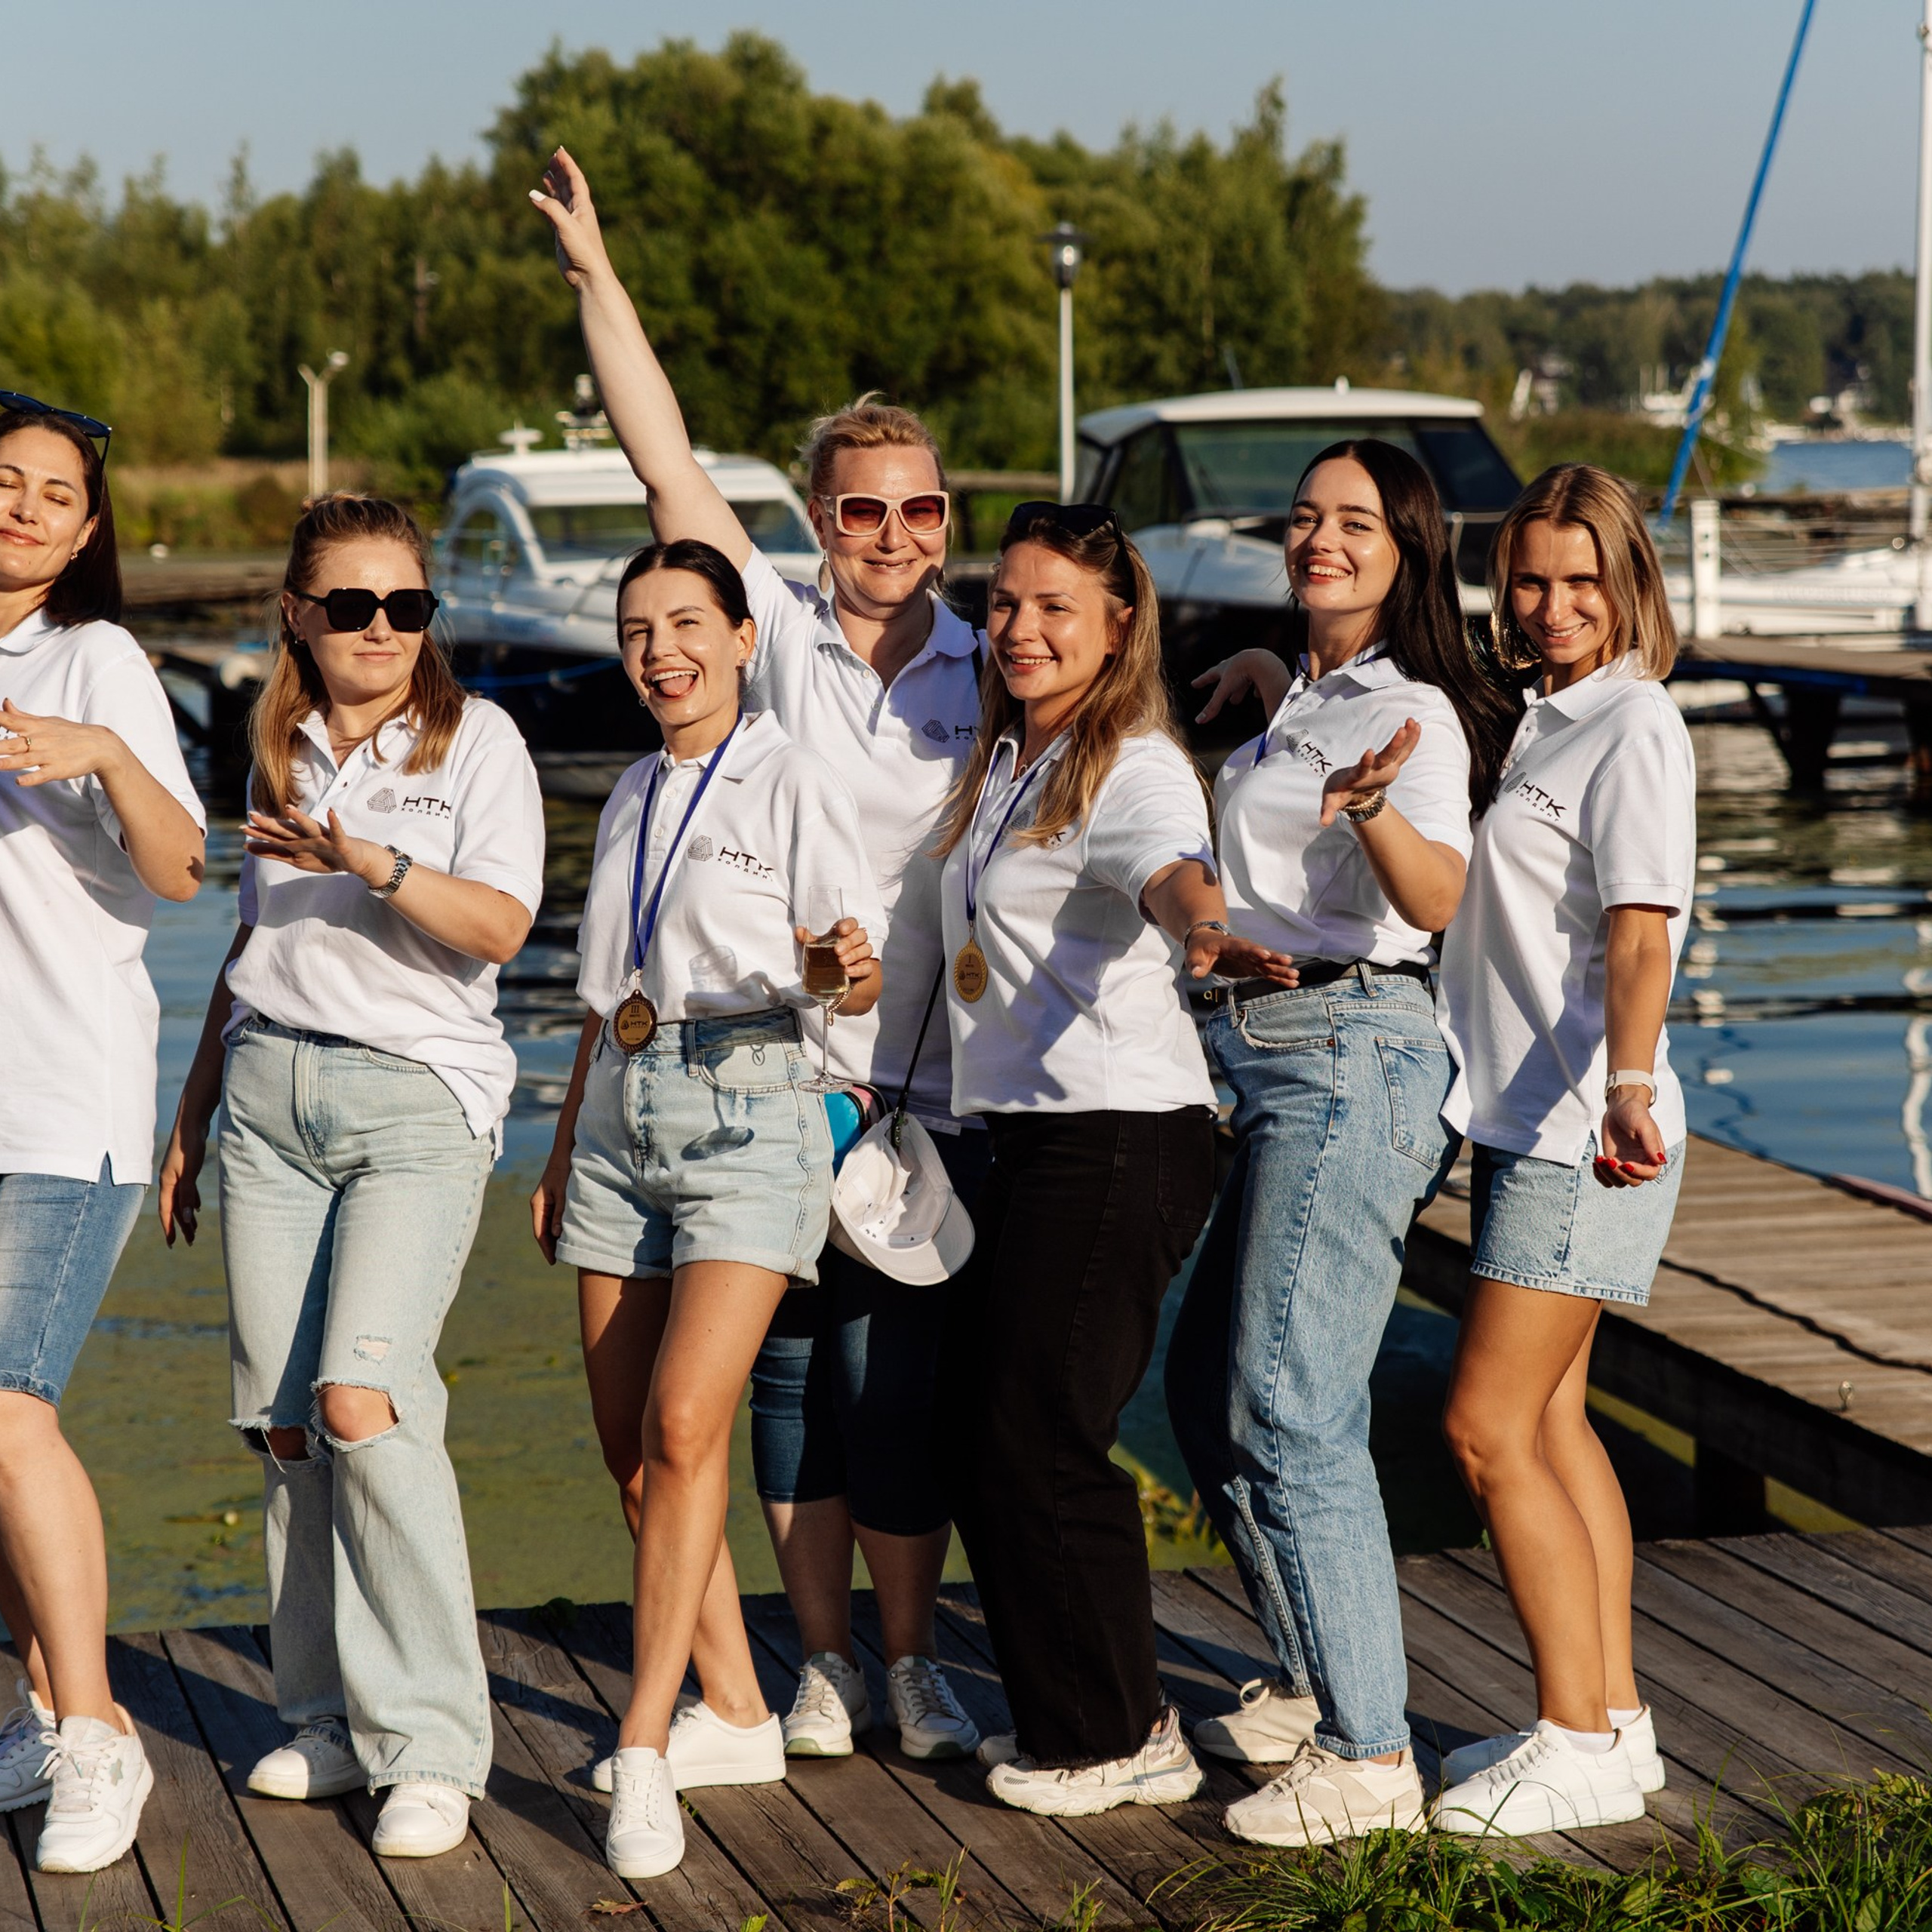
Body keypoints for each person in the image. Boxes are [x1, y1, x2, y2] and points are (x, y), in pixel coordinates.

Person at [532, 147, 983, 1764]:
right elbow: (662, 462)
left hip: (915, 1077)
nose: (890, 530)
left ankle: (914, 1658)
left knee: (894, 1381)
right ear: (816, 518)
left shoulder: (992, 665)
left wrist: (1254, 676)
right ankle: (810, 1667)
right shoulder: (770, 632)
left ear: (945, 520)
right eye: (860, 506)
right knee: (776, 1383)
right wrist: (599, 278)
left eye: (921, 506)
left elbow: (1105, 704)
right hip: (776, 1068)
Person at [159, 494, 544, 1860]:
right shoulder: (277, 741)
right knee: (281, 1423)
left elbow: (499, 923)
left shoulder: (476, 740)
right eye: (351, 605)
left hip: (416, 1103)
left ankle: (431, 1742)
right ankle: (320, 1717)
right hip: (268, 1097)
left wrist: (366, 855)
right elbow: (250, 948)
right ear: (298, 616)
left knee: (364, 1395)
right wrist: (195, 1108)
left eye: (407, 604)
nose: (381, 630)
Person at [1162, 440, 1518, 1847]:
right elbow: (1268, 831)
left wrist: (1369, 805)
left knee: (1292, 1402)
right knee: (1207, 1392)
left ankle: (1372, 1758)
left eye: (1354, 522)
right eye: (1307, 517)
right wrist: (1265, 701)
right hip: (1253, 1051)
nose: (1321, 537)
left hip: (1349, 1053)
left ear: (1409, 547)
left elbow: (1437, 899)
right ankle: (1316, 1682)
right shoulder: (1307, 692)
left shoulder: (1412, 709)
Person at [529, 538, 883, 1880]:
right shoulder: (627, 789)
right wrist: (566, 1146)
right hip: (620, 1107)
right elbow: (599, 998)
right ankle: (735, 1706)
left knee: (689, 1425)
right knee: (629, 1446)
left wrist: (837, 971)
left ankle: (639, 1746)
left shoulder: (796, 775)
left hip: (750, 1108)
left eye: (687, 622)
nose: (659, 650)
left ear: (745, 637)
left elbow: (848, 974)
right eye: (635, 629)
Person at [933, 501, 1290, 1818]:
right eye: (1007, 606)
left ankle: (1121, 1732)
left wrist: (1208, 925)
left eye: (1054, 611)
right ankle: (1070, 1717)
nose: (1021, 631)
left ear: (1118, 626)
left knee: (1045, 1430)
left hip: (1122, 1135)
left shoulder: (1130, 761)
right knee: (995, 1430)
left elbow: (1173, 867)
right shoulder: (1013, 755)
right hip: (1030, 1138)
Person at [1431, 463, 1694, 1836]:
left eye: (1580, 582)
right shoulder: (1544, 720)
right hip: (1527, 1118)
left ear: (1627, 582)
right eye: (1531, 581)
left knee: (1482, 1429)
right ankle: (1620, 1720)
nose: (1550, 606)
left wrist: (1631, 1087)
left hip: (1590, 1131)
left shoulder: (1636, 726)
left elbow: (1641, 930)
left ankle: (1571, 1734)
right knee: (1552, 1420)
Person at [0, 395, 205, 1872]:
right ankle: (29, 1705)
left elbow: (184, 866)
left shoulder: (99, 658)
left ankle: (98, 1728)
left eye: (50, 494)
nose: (19, 506)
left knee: (6, 1411)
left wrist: (100, 755)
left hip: (59, 1099)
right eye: (1, 481)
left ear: (86, 531)